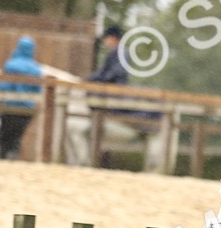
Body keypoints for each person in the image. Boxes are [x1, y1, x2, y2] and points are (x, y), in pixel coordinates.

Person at [64, 25, 165, 171]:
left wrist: (95, 80)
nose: (106, 41)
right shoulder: (116, 52)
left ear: (113, 38)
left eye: (107, 38)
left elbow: (113, 73)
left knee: (98, 100)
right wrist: (90, 79)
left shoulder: (121, 52)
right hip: (111, 86)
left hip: (115, 90)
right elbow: (103, 72)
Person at [0, 36, 43, 159]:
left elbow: (4, 86)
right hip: (27, 109)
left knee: (4, 138)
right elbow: (38, 89)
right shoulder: (36, 69)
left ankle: (2, 160)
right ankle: (14, 161)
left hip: (10, 106)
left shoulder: (11, 65)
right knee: (17, 138)